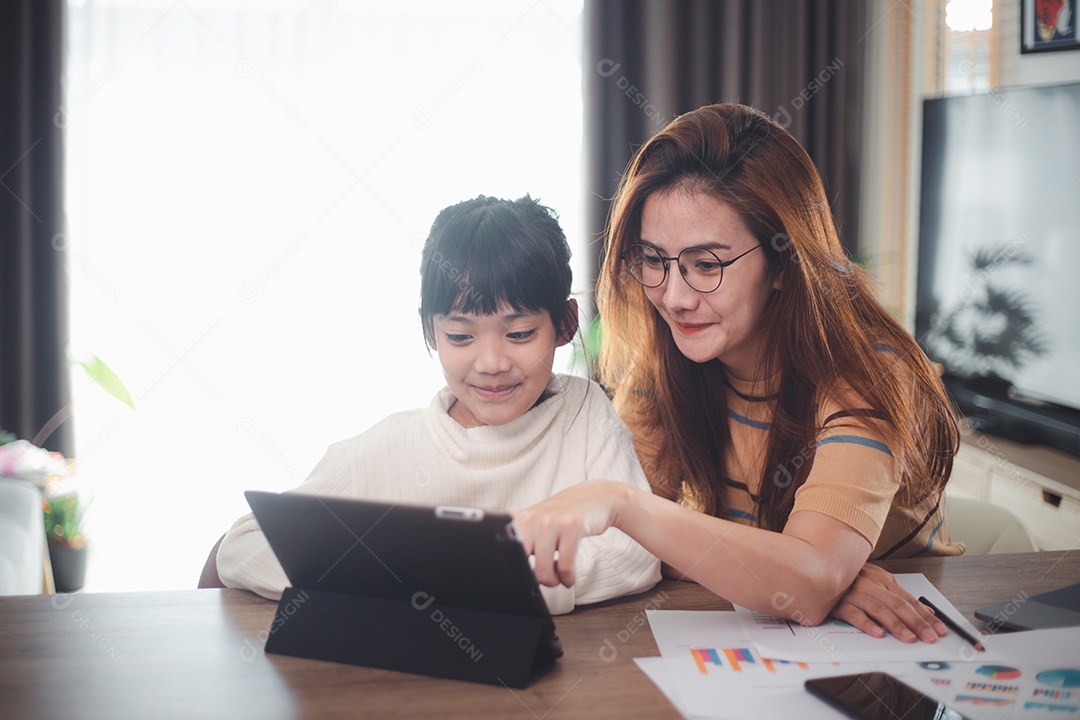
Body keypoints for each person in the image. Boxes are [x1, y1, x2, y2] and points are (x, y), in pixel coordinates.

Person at [513, 103, 962, 641]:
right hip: (777, 642)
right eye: (654, 259)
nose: (674, 297)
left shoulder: (867, 372)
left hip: (912, 640)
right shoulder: (664, 362)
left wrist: (808, 575)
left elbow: (801, 580)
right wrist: (797, 573)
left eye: (707, 265)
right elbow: (639, 551)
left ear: (783, 262)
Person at [216, 195, 660, 614]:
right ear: (430, 333)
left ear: (564, 324)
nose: (491, 363)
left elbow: (637, 554)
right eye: (460, 337)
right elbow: (243, 544)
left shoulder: (584, 414)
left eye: (520, 333)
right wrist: (409, 582)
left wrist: (466, 583)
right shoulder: (385, 450)